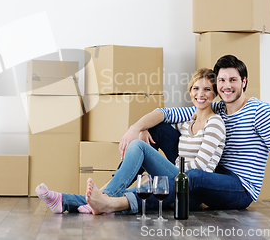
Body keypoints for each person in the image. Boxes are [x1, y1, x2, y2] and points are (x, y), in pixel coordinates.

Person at [119, 55, 270, 211]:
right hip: (214, 175)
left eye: (233, 80)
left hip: (240, 188)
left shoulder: (260, 112)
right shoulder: (216, 108)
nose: (227, 86)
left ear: (244, 82)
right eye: (222, 81)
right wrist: (136, 128)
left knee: (191, 176)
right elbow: (167, 113)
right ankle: (116, 188)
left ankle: (122, 201)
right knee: (159, 129)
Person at [36, 68, 226, 214]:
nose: (200, 94)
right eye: (196, 89)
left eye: (207, 89)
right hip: (175, 179)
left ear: (214, 94)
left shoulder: (215, 123)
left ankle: (103, 195)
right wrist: (143, 129)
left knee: (137, 147)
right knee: (128, 192)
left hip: (191, 191)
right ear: (190, 91)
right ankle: (63, 201)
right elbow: (162, 120)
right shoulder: (187, 122)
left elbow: (200, 168)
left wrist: (170, 167)